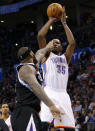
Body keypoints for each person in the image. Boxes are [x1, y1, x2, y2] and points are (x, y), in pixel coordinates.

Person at [37, 7, 76, 131]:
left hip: (63, 94)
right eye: (53, 42)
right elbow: (40, 36)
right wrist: (50, 20)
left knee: (70, 128)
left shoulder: (65, 58)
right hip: (49, 92)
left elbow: (72, 43)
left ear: (61, 47)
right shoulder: (47, 55)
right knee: (43, 125)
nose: (55, 44)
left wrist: (64, 23)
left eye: (57, 43)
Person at [11, 42, 62, 131]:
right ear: (31, 53)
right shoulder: (25, 69)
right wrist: (51, 105)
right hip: (24, 112)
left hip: (31, 111)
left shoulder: (33, 65)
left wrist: (48, 46)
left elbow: (40, 53)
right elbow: (35, 86)